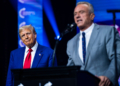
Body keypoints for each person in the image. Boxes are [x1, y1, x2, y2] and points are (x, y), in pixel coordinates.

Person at [66, 1, 120, 86]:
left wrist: (108, 77)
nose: (77, 16)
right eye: (75, 14)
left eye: (82, 12)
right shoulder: (71, 43)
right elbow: (70, 70)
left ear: (92, 16)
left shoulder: (108, 32)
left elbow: (117, 57)